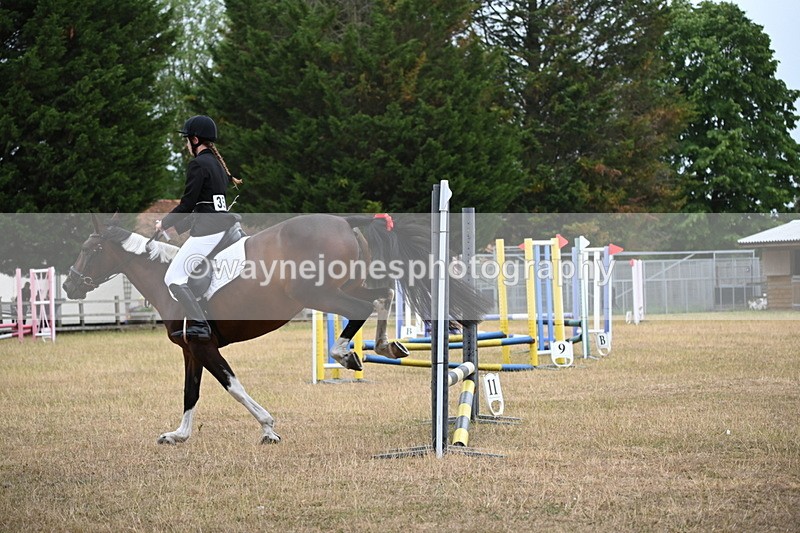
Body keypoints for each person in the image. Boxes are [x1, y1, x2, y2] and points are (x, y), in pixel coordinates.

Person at [156, 115, 242, 342]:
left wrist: (164, 223)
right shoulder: (217, 165)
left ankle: (201, 326)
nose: (186, 145)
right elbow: (206, 205)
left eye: (187, 140)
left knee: (173, 277)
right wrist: (177, 228)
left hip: (208, 231)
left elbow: (187, 204)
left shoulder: (198, 164)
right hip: (222, 226)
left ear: (195, 140)